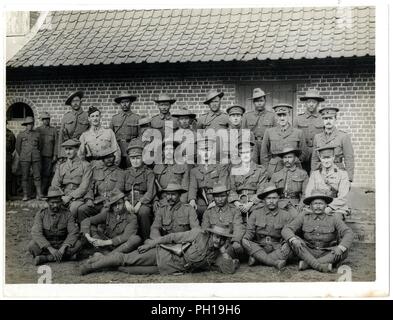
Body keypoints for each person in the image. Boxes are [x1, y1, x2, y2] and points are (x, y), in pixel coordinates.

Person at [80, 224, 239, 276]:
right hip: (161, 253)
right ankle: (90, 266)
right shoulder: (198, 234)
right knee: (126, 259)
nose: (218, 240)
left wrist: (224, 251)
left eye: (222, 238)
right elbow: (172, 237)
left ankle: (99, 257)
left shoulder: (217, 254)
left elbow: (228, 270)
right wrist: (150, 244)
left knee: (127, 270)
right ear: (210, 234)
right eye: (216, 236)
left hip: (167, 268)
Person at [282, 190, 354, 272]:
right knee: (294, 242)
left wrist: (341, 248)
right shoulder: (304, 216)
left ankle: (307, 264)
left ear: (326, 205)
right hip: (307, 251)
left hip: (327, 252)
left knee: (344, 251)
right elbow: (287, 229)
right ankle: (320, 266)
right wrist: (293, 240)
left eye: (321, 203)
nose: (318, 206)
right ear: (310, 206)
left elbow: (348, 232)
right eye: (315, 204)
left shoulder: (333, 218)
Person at [242, 184, 296, 270]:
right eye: (269, 198)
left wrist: (286, 243)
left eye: (274, 198)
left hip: (277, 247)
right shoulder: (256, 213)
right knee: (244, 242)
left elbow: (289, 233)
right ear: (264, 200)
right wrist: (245, 238)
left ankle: (258, 259)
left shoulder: (286, 215)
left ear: (278, 199)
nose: (271, 201)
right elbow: (250, 231)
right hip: (259, 246)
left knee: (291, 247)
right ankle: (274, 262)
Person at [28, 186, 82, 266]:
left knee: (78, 244)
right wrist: (50, 248)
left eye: (57, 202)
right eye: (52, 203)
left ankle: (46, 258)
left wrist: (63, 247)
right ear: (47, 202)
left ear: (61, 201)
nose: (55, 205)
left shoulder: (67, 214)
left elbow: (73, 232)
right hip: (46, 246)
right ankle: (67, 257)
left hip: (62, 244)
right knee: (32, 245)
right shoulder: (41, 214)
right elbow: (37, 233)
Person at [81, 189, 142, 255]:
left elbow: (126, 237)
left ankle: (107, 255)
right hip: (106, 244)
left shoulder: (131, 217)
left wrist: (104, 243)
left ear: (124, 203)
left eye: (119, 203)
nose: (117, 207)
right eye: (115, 205)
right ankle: (104, 253)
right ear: (111, 206)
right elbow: (86, 220)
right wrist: (89, 237)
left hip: (120, 246)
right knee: (91, 226)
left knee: (136, 239)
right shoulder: (108, 213)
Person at [260, 103, 308, 178]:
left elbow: (304, 153)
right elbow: (264, 154)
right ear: (276, 116)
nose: (282, 118)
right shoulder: (269, 132)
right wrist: (267, 169)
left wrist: (295, 161)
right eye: (279, 115)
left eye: (284, 115)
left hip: (294, 169)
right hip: (274, 170)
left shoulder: (298, 132)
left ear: (289, 115)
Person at [78, 148, 126, 221]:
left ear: (114, 158)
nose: (109, 159)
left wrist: (110, 201)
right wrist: (89, 199)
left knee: (104, 213)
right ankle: (85, 231)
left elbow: (119, 189)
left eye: (111, 157)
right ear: (102, 159)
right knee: (82, 210)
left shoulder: (120, 172)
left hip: (111, 203)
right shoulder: (96, 171)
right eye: (106, 158)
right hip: (97, 202)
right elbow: (90, 187)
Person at [188, 137, 230, 221]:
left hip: (218, 198)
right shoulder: (194, 170)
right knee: (193, 212)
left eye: (209, 150)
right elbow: (193, 187)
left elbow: (223, 185)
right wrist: (192, 200)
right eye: (203, 150)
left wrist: (215, 201)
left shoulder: (221, 167)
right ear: (199, 152)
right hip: (201, 200)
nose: (206, 153)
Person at [51, 139, 92, 221]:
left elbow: (84, 187)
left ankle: (72, 229)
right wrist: (61, 197)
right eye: (66, 149)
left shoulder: (85, 165)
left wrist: (69, 197)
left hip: (78, 197)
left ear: (77, 149)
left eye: (70, 149)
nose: (68, 152)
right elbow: (55, 184)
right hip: (62, 196)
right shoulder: (61, 166)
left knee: (72, 209)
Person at [311, 106, 355, 182]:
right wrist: (313, 175)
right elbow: (314, 159)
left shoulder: (343, 136)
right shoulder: (317, 137)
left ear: (335, 119)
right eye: (325, 118)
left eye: (331, 118)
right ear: (322, 120)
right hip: (321, 172)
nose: (328, 121)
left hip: (338, 171)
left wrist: (349, 178)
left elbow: (349, 158)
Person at [201, 182, 245, 259]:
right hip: (214, 243)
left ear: (227, 196)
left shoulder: (234, 211)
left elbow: (238, 227)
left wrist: (236, 241)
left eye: (223, 196)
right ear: (213, 197)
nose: (220, 199)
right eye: (217, 197)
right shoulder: (208, 212)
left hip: (229, 243)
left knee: (228, 254)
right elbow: (204, 230)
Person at [306, 145, 351, 218]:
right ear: (320, 158)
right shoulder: (315, 174)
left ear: (333, 157)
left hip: (335, 207)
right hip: (317, 206)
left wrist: (329, 207)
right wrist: (317, 206)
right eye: (324, 158)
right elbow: (308, 193)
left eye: (329, 158)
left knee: (336, 219)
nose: (326, 161)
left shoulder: (343, 174)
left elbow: (343, 197)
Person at [124, 140, 156, 241]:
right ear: (130, 159)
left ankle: (146, 238)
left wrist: (140, 203)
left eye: (138, 158)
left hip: (143, 201)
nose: (135, 161)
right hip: (128, 201)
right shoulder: (125, 173)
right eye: (133, 158)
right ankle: (125, 239)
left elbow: (150, 192)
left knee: (144, 212)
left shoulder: (149, 173)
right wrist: (126, 202)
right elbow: (118, 190)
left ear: (142, 158)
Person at [229, 140, 268, 222]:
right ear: (239, 154)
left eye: (247, 152)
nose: (245, 155)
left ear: (252, 153)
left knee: (260, 213)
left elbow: (262, 190)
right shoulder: (234, 170)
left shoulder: (260, 170)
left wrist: (250, 203)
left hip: (255, 203)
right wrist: (237, 203)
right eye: (242, 153)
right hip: (238, 202)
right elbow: (231, 189)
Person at [293, 89, 325, 174]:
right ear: (305, 103)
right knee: (301, 175)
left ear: (318, 103)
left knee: (317, 177)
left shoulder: (322, 119)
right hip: (302, 153)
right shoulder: (298, 119)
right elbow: (294, 137)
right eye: (309, 102)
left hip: (318, 152)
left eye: (314, 102)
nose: (311, 104)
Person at [271, 147, 309, 216]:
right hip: (279, 204)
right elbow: (271, 193)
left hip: (296, 205)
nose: (287, 160)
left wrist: (301, 205)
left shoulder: (303, 174)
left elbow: (306, 194)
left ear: (295, 159)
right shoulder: (276, 175)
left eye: (290, 157)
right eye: (285, 157)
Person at [242, 88, 277, 164]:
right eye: (257, 101)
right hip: (252, 147)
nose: (259, 103)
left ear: (265, 101)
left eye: (261, 101)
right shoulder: (247, 116)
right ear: (253, 103)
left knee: (266, 167)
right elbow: (243, 134)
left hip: (267, 147)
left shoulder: (272, 116)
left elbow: (276, 134)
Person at [153, 139, 190, 204]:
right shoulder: (157, 167)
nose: (169, 151)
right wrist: (155, 200)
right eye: (166, 149)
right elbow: (153, 188)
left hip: (178, 199)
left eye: (171, 149)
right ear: (163, 151)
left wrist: (182, 202)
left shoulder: (183, 166)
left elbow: (185, 187)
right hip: (162, 200)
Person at [15, 116, 43, 201]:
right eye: (28, 124)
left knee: (37, 176)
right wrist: (23, 155)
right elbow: (18, 147)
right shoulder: (21, 135)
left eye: (31, 124)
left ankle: (39, 194)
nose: (30, 126)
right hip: (24, 158)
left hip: (35, 157)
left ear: (33, 124)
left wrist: (35, 153)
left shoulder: (37, 134)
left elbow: (40, 146)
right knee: (25, 177)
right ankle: (25, 195)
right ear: (25, 125)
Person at [110, 91, 140, 169]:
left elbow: (140, 136)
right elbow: (110, 135)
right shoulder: (114, 118)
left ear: (130, 103)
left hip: (131, 149)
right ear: (120, 104)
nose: (124, 104)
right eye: (122, 102)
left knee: (131, 171)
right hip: (118, 149)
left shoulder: (137, 118)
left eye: (127, 102)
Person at [58, 90, 89, 158]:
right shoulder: (66, 116)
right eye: (73, 101)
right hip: (69, 149)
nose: (75, 103)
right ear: (70, 103)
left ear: (81, 102)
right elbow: (61, 136)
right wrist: (60, 154)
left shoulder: (87, 116)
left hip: (82, 149)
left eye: (77, 100)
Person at [36, 111, 58, 196]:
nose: (46, 121)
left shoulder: (53, 130)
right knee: (38, 173)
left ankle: (42, 192)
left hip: (49, 156)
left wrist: (55, 155)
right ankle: (37, 192)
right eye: (44, 119)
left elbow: (56, 143)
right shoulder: (38, 130)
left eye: (48, 119)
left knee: (47, 174)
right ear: (42, 120)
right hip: (38, 156)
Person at [6, 120, 16, 200]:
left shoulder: (10, 134)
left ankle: (7, 194)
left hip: (6, 156)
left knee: (7, 176)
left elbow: (13, 146)